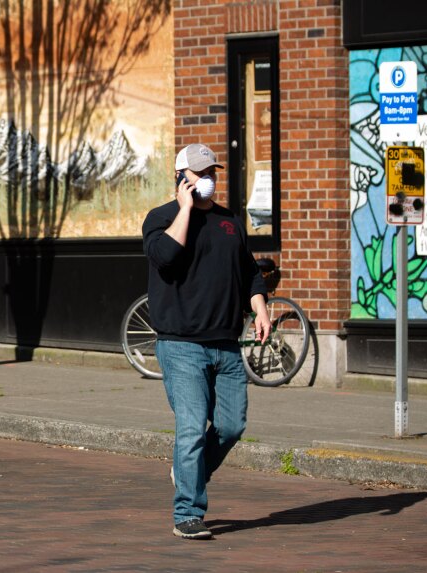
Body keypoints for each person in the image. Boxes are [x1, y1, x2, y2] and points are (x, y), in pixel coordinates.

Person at [142, 143, 271, 540]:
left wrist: (260, 306)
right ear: (181, 177)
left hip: (226, 343)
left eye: (211, 170)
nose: (209, 178)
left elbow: (248, 272)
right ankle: (188, 512)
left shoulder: (229, 221)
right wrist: (183, 209)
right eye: (200, 172)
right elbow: (165, 257)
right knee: (193, 426)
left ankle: (187, 471)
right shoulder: (161, 218)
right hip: (181, 344)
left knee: (232, 425)